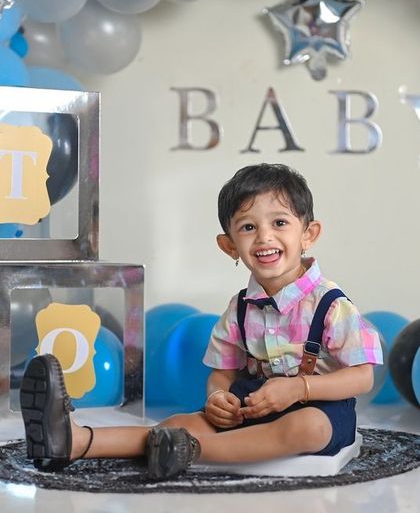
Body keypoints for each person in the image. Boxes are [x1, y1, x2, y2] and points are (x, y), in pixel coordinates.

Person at [20, 163, 383, 480]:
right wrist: (219, 396)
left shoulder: (331, 305)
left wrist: (300, 389)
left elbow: (362, 376)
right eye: (247, 227)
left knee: (307, 428)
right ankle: (77, 440)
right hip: (253, 404)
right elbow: (222, 372)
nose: (264, 237)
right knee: (180, 423)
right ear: (229, 246)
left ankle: (190, 452)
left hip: (318, 408)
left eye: (280, 222)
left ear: (308, 234)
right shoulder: (240, 308)